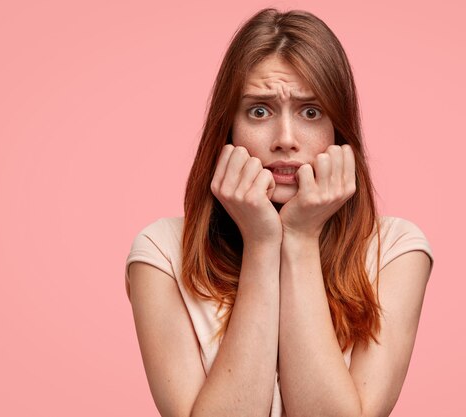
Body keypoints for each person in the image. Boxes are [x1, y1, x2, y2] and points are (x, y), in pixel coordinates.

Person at [125, 7, 434, 417]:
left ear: (338, 131)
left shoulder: (397, 251)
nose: (285, 140)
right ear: (228, 128)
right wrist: (261, 242)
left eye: (311, 112)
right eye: (259, 111)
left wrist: (301, 238)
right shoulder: (161, 253)